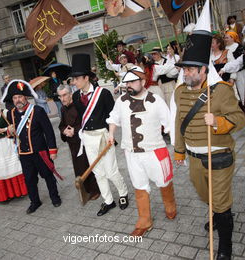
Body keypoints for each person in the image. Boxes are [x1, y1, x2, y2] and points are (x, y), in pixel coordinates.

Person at [173, 2, 245, 259]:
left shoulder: (222, 91)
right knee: (206, 196)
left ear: (204, 70)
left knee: (221, 201)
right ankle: (217, 213)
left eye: (191, 69)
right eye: (183, 69)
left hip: (219, 156)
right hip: (194, 158)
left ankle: (225, 246)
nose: (186, 73)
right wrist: (179, 152)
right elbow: (178, 122)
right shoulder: (180, 91)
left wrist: (218, 122)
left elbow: (240, 119)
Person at [107, 66, 176, 237]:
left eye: (132, 81)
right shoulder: (121, 101)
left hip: (155, 151)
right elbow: (113, 118)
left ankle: (170, 205)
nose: (128, 85)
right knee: (139, 186)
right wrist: (111, 133)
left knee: (164, 182)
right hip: (132, 153)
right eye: (126, 82)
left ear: (143, 82)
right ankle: (145, 220)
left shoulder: (156, 100)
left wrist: (178, 147)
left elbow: (169, 125)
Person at [71, 53, 129, 216]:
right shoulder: (76, 97)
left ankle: (123, 193)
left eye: (76, 79)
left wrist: (112, 135)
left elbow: (113, 117)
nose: (74, 82)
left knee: (111, 170)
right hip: (88, 138)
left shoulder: (103, 94)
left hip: (104, 136)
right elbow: (82, 117)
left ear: (86, 78)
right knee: (97, 171)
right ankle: (108, 200)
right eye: (73, 79)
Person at [1, 80, 62, 214]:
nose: (18, 100)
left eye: (20, 97)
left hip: (40, 152)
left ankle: (54, 197)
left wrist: (52, 150)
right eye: (15, 98)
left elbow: (48, 132)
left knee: (47, 175)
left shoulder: (37, 110)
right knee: (29, 179)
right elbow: (12, 135)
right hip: (24, 154)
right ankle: (35, 201)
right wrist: (9, 132)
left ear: (26, 97)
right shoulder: (10, 114)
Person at [57, 84, 100, 200]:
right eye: (60, 96)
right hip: (72, 144)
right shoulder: (62, 108)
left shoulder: (79, 105)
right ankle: (86, 190)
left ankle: (95, 190)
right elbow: (61, 125)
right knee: (78, 167)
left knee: (87, 164)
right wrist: (64, 130)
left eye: (65, 95)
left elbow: (86, 122)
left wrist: (74, 131)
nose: (62, 98)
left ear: (71, 94)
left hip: (83, 141)